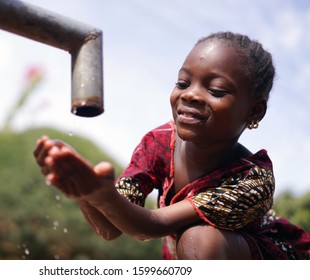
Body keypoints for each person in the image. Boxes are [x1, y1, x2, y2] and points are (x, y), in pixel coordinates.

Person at [33, 31, 310, 260]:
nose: (190, 94)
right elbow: (111, 227)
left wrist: (103, 196)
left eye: (215, 90)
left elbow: (152, 225)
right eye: (183, 82)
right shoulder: (158, 143)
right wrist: (88, 193)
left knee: (198, 240)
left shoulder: (252, 180)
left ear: (254, 113)